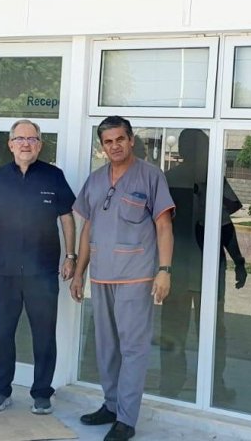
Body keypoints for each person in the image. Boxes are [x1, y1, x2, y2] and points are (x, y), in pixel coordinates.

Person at [71, 116, 175, 441]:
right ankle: (111, 405)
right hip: (101, 277)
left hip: (136, 277)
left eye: (120, 139)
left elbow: (163, 226)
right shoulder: (96, 179)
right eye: (108, 142)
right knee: (106, 348)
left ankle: (126, 420)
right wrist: (79, 272)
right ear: (102, 147)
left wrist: (165, 270)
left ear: (131, 140)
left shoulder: (150, 176)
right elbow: (88, 227)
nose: (114, 146)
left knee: (133, 348)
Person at [0, 119, 76, 415]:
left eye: (32, 138)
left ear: (40, 144)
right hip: (4, 271)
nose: (26, 143)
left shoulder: (54, 176)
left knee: (44, 334)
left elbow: (67, 217)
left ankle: (42, 393)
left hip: (42, 271)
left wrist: (71, 256)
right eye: (20, 138)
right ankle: (0, 391)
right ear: (10, 144)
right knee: (1, 333)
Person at [159, 129, 247, 402]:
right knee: (212, 334)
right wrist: (239, 262)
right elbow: (226, 226)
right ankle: (213, 389)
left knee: (173, 332)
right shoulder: (211, 181)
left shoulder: (168, 180)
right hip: (203, 273)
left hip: (178, 271)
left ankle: (171, 387)